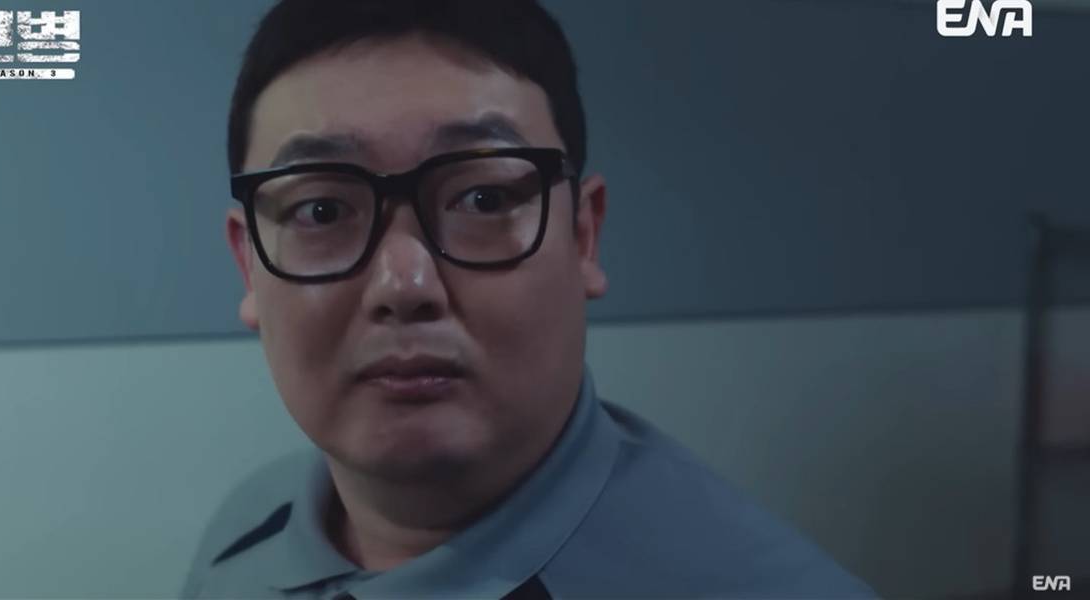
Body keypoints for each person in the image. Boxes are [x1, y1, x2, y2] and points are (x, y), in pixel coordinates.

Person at [181, 1, 877, 598]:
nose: (405, 286)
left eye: (483, 199)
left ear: (583, 236)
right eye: (323, 211)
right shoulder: (241, 534)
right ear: (248, 267)